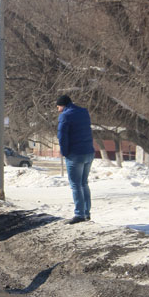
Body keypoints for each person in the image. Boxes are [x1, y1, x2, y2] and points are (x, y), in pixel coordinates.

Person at [56, 95, 95, 224]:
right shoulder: (84, 112)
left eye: (58, 107)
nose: (58, 110)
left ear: (63, 105)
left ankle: (79, 214)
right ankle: (86, 213)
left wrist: (65, 152)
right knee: (84, 183)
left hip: (75, 154)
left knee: (76, 185)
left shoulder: (65, 116)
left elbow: (62, 136)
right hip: (88, 152)